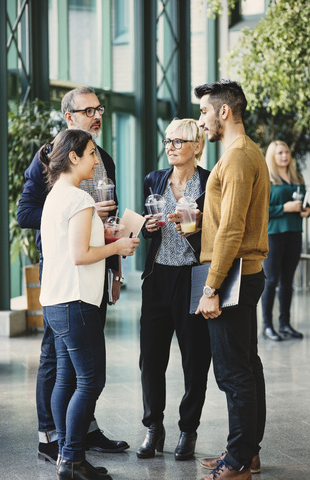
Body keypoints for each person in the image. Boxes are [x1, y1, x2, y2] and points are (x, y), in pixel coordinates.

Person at [17, 87, 129, 464]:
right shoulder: (49, 159)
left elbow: (108, 220)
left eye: (100, 108)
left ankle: (82, 432)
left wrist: (115, 270)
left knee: (83, 362)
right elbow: (25, 213)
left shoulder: (104, 160)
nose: (97, 115)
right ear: (69, 118)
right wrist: (79, 218)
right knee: (57, 358)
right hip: (65, 271)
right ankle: (50, 436)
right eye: (88, 110)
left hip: (96, 269)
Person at [38, 129, 139, 480]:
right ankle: (72, 459)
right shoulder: (79, 199)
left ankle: (67, 454)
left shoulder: (56, 196)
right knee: (90, 381)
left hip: (56, 301)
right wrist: (118, 248)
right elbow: (81, 255)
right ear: (74, 157)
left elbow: (71, 248)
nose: (97, 161)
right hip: (77, 302)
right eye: (92, 153)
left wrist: (104, 235)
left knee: (66, 379)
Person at [194, 80, 269, 480]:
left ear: (224, 111)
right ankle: (247, 451)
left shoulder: (238, 156)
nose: (202, 120)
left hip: (233, 274)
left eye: (205, 111)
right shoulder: (244, 152)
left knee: (232, 371)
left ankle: (238, 461)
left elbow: (232, 229)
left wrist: (211, 287)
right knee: (246, 365)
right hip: (242, 272)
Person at [137, 118, 211, 461]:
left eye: (178, 141)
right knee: (151, 358)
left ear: (196, 146)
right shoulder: (155, 179)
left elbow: (219, 232)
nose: (169, 146)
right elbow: (146, 227)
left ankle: (188, 430)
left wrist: (194, 231)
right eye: (167, 141)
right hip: (158, 278)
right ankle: (154, 427)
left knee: (195, 359)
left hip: (194, 279)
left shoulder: (210, 183)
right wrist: (148, 226)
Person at [261, 140, 309, 341]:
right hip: (273, 234)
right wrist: (284, 208)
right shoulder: (266, 179)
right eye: (280, 152)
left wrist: (306, 210)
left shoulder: (296, 177)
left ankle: (285, 324)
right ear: (272, 156)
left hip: (294, 233)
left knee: (288, 281)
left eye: (286, 152)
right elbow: (261, 211)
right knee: (271, 281)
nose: (284, 156)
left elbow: (304, 202)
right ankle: (267, 326)